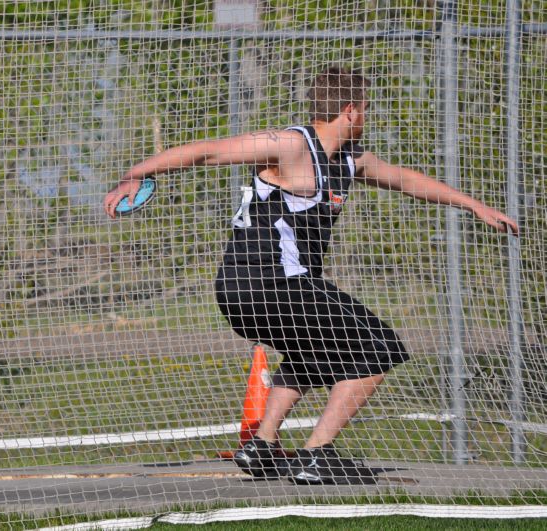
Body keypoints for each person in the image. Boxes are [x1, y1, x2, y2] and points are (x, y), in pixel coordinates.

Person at [103, 66, 518, 485]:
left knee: (313, 352)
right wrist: (137, 173)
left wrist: (473, 205)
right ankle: (317, 455)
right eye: (366, 110)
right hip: (270, 282)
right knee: (379, 349)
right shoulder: (290, 145)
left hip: (245, 290)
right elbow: (208, 151)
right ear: (351, 111)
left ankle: (261, 447)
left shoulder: (351, 162)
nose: (367, 118)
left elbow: (406, 180)